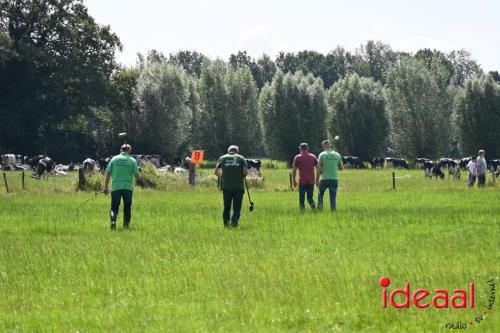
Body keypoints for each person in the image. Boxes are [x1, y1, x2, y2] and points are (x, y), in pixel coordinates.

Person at [103, 144, 140, 230]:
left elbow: (107, 173)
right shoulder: (132, 160)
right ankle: (126, 226)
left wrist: (105, 187)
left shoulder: (114, 159)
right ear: (129, 150)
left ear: (120, 150)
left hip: (116, 187)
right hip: (128, 188)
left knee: (114, 207)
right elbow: (137, 176)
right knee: (127, 207)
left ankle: (113, 222)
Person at [215, 145, 248, 228]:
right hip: (238, 187)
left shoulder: (222, 158)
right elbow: (245, 172)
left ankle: (226, 223)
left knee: (227, 206)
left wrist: (222, 176)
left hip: (226, 187)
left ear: (228, 150)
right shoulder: (241, 158)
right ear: (237, 151)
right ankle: (234, 222)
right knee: (237, 207)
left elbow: (216, 171)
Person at [317, 139, 343, 211]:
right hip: (334, 179)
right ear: (330, 145)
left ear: (323, 146)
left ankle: (319, 209)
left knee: (320, 195)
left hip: (324, 179)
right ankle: (333, 211)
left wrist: (317, 178)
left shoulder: (321, 154)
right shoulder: (337, 155)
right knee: (333, 197)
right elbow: (341, 168)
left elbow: (318, 168)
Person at [292, 143, 318, 211]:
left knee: (301, 198)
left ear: (300, 149)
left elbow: (294, 169)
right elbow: (318, 168)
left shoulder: (297, 157)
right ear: (307, 148)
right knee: (310, 198)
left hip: (302, 181)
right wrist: (317, 178)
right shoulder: (313, 157)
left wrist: (294, 180)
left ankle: (302, 211)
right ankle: (313, 206)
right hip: (311, 181)